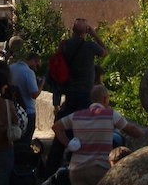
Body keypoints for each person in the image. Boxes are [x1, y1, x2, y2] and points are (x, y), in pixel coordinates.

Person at [44, 20, 108, 178]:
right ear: (85, 31)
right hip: (85, 94)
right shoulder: (89, 46)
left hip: (69, 92)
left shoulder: (65, 45)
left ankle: (50, 170)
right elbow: (106, 51)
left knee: (64, 129)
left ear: (72, 31)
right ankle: (79, 168)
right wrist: (94, 34)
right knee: (84, 132)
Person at [53, 85, 144, 185]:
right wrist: (144, 134)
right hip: (100, 168)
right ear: (105, 99)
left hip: (77, 169)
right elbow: (131, 130)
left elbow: (56, 127)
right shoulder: (110, 114)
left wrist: (69, 144)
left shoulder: (77, 115)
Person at [9, 53, 42, 145]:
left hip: (13, 110)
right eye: (37, 66)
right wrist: (41, 84)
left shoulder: (11, 68)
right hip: (27, 111)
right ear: (34, 61)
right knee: (25, 142)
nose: (36, 69)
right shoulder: (28, 72)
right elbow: (34, 94)